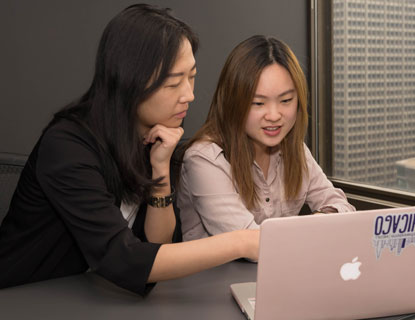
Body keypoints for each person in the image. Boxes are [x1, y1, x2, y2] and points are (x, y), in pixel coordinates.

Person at [0, 4, 258, 295]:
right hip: (21, 297)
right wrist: (241, 241)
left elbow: (157, 249)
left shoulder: (153, 135)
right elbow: (124, 259)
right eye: (174, 83)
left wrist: (160, 168)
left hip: (90, 297)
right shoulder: (67, 146)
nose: (189, 95)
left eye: (192, 76)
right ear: (130, 81)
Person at [178, 35, 354, 241]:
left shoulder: (294, 149)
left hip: (280, 270)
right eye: (258, 103)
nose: (274, 115)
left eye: (286, 100)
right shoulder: (204, 158)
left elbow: (343, 207)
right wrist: (315, 226)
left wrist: (322, 217)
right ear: (233, 103)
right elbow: (249, 240)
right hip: (215, 273)